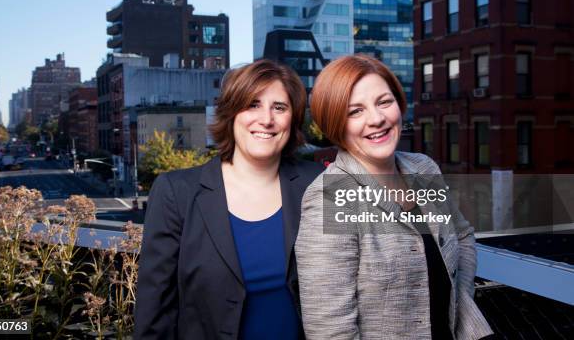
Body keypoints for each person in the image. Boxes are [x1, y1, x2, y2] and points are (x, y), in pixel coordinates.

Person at [295, 55, 493, 340]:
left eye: (384, 102)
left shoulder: (423, 168)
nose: (376, 119)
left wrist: (460, 302)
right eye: (355, 111)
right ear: (335, 123)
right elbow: (330, 331)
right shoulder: (329, 197)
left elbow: (462, 236)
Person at [134, 60, 324, 340]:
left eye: (279, 107)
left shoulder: (318, 183)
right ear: (231, 113)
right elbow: (155, 314)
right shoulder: (176, 192)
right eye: (253, 105)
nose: (267, 119)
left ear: (292, 119)